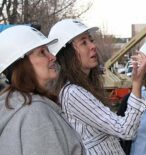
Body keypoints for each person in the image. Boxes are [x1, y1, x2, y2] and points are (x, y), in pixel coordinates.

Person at [48, 19, 146, 155]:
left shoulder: (84, 87)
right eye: (84, 43)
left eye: (91, 40)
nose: (92, 46)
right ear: (68, 54)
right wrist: (136, 83)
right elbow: (125, 129)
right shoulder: (73, 93)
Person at [0, 25, 85, 155]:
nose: (53, 57)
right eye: (42, 52)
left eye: (48, 51)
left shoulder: (13, 102)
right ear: (21, 64)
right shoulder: (35, 113)